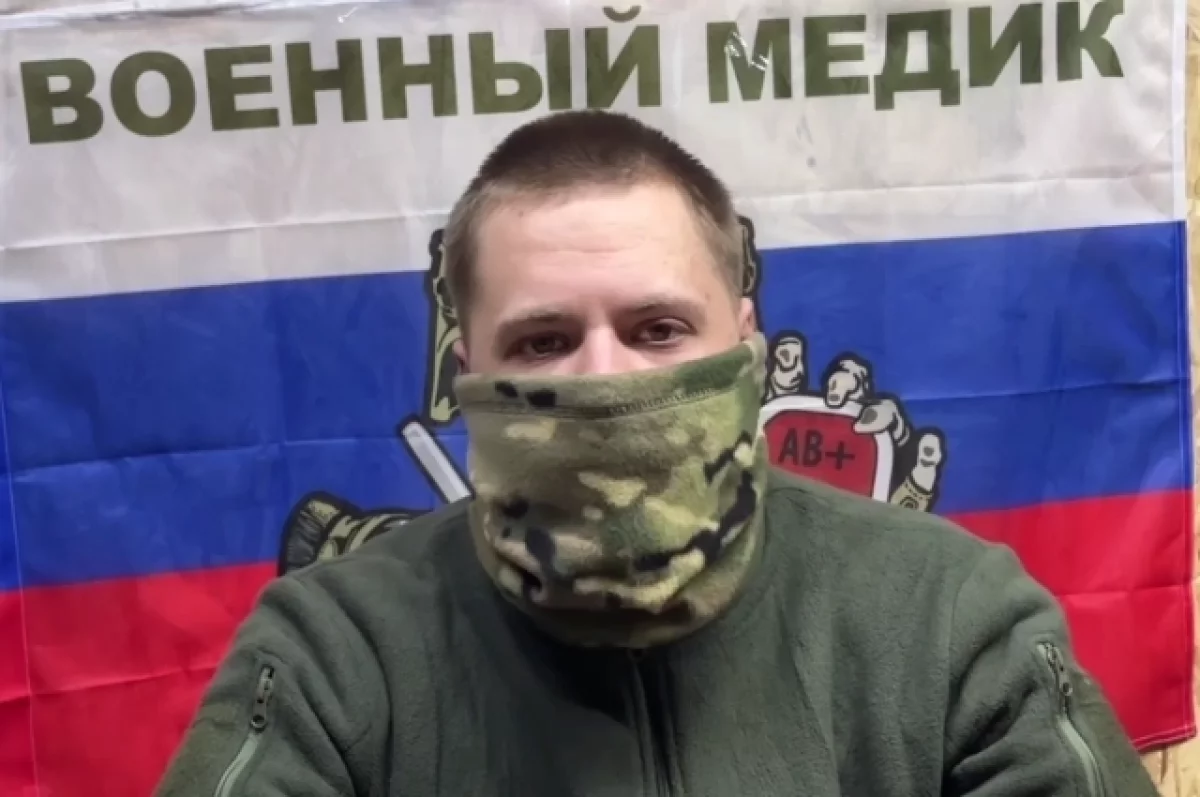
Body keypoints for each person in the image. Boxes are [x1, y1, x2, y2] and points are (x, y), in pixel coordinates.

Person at [155, 110, 1157, 796]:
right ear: (468, 371)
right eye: (543, 341)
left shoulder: (947, 619)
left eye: (659, 329)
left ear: (747, 346)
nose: (605, 379)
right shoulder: (337, 653)